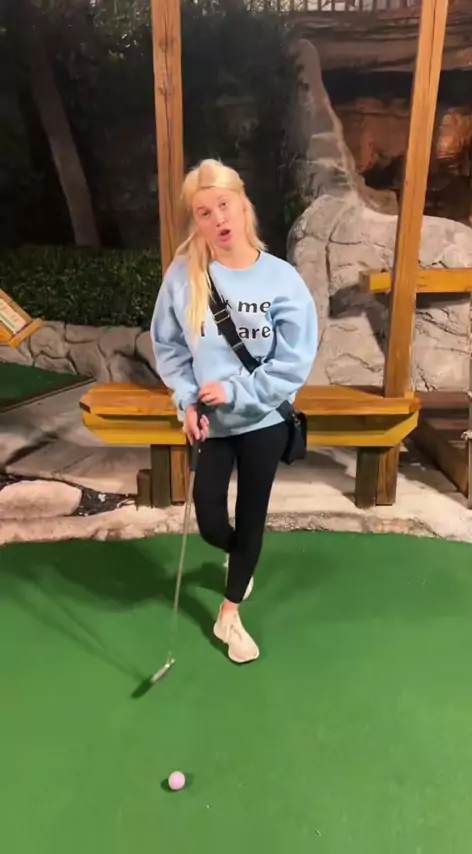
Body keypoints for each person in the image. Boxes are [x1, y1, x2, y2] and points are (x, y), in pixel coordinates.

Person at [150, 158, 318, 664]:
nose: (218, 219)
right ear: (196, 220)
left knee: (251, 514)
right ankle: (238, 554)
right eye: (204, 212)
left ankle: (229, 613)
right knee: (209, 517)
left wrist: (238, 392)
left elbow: (294, 362)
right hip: (212, 424)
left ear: (243, 204)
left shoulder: (282, 279)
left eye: (224, 205)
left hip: (263, 420)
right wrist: (187, 400)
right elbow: (169, 347)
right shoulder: (184, 275)